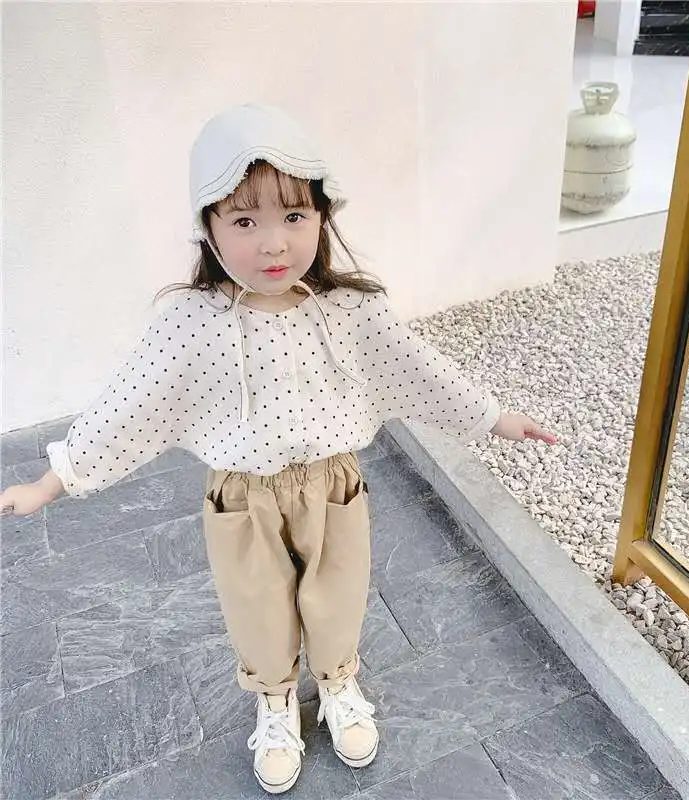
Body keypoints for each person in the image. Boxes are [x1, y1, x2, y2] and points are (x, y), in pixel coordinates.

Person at [0, 104, 558, 794]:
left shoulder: (351, 310)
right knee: (256, 603)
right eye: (244, 221)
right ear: (207, 227)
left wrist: (494, 418)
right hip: (243, 497)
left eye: (294, 215)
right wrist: (53, 480)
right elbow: (127, 405)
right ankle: (275, 699)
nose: (273, 243)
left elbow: (418, 369)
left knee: (339, 594)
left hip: (333, 486)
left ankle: (339, 682)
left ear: (323, 217)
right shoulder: (190, 323)